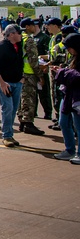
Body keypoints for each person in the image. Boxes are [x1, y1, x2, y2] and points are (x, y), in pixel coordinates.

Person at [0, 23, 25, 148]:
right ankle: (6, 135)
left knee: (13, 109)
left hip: (17, 81)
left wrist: (22, 77)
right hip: (4, 82)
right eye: (19, 33)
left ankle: (10, 133)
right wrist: (1, 82)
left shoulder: (19, 46)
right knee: (7, 108)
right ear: (11, 34)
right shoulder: (1, 47)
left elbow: (20, 61)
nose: (21, 35)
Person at [50, 33, 80, 163]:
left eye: (69, 47)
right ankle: (70, 150)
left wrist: (62, 72)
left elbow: (77, 76)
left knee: (78, 126)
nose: (67, 50)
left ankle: (78, 153)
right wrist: (62, 70)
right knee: (63, 122)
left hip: (77, 97)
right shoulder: (73, 57)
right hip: (68, 95)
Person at [17, 19, 46, 135]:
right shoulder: (29, 40)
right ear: (27, 26)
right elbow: (33, 60)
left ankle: (22, 122)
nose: (35, 27)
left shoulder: (19, 38)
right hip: (28, 73)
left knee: (22, 98)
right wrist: (40, 75)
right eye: (33, 26)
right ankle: (28, 123)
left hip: (19, 72)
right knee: (29, 99)